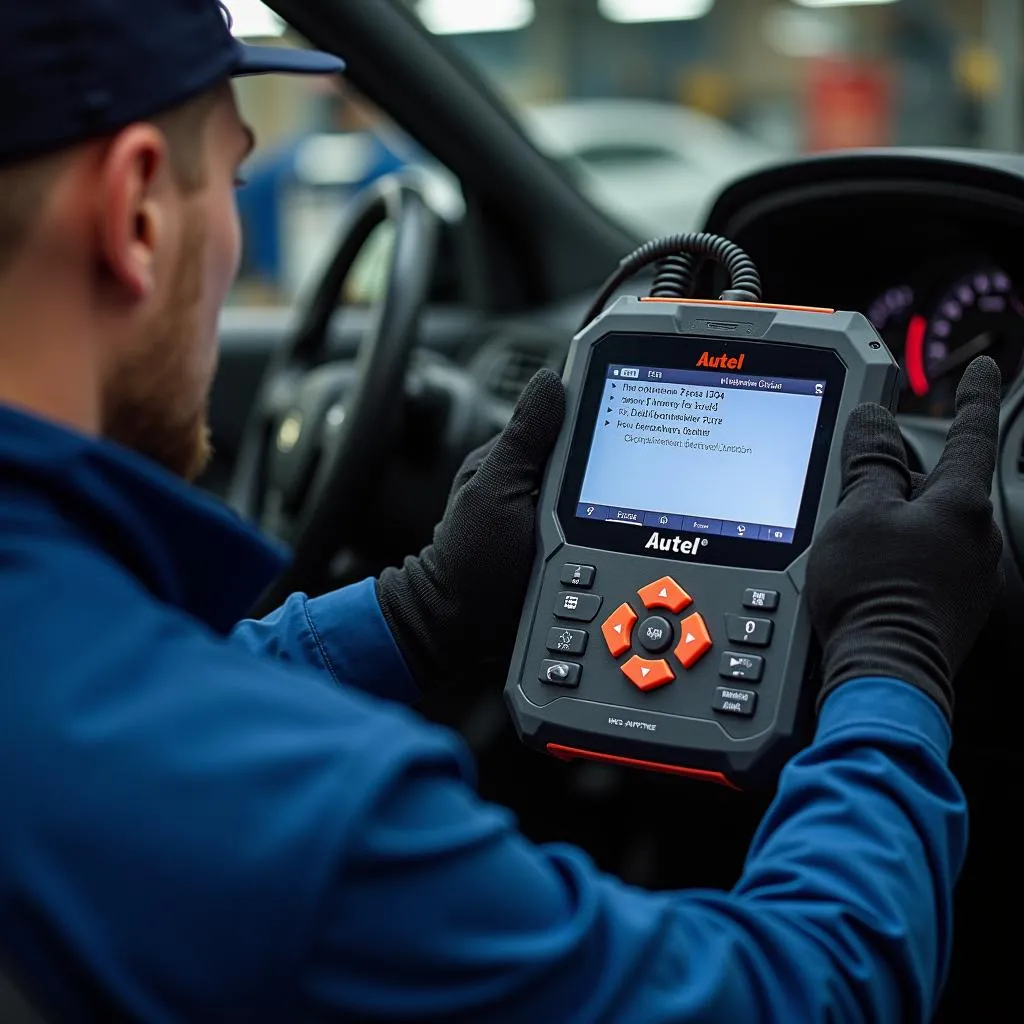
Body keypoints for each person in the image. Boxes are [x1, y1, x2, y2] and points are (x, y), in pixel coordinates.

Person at [0, 2, 1005, 1021]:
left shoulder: (81, 692)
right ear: (136, 212)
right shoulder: (304, 819)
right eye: (232, 179)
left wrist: (415, 614)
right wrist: (891, 661)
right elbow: (802, 995)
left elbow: (154, 715)